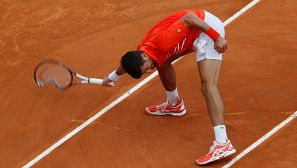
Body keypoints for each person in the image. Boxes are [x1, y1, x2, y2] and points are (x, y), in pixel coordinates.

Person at [102, 9, 236, 165]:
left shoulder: (162, 42)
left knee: (208, 86)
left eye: (146, 67)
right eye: (145, 71)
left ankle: (222, 143)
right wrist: (112, 77)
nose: (149, 70)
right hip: (189, 35)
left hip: (205, 29)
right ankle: (174, 105)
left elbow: (190, 18)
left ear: (143, 55)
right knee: (161, 62)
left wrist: (217, 37)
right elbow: (127, 65)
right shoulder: (142, 53)